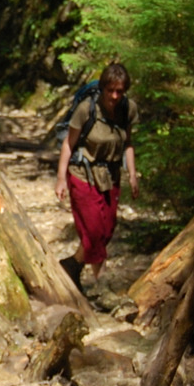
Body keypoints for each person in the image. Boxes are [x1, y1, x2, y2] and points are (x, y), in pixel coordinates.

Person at [54, 63, 139, 287]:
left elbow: (128, 143)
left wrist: (132, 173)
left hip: (110, 176)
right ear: (103, 88)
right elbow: (68, 144)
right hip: (83, 174)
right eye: (110, 90)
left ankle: (71, 266)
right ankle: (100, 286)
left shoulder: (128, 109)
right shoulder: (86, 109)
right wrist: (61, 178)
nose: (114, 95)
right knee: (92, 231)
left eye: (119, 91)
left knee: (106, 230)